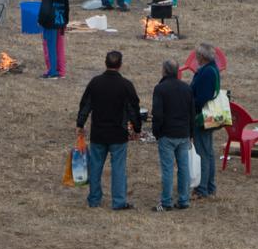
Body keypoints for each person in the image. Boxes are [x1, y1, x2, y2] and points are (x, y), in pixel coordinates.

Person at [76, 50, 141, 210]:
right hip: (118, 134)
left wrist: (80, 124)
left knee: (95, 166)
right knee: (118, 169)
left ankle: (94, 199)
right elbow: (134, 109)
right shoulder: (126, 85)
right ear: (120, 65)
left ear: (105, 63)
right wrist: (137, 128)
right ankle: (119, 202)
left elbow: (85, 105)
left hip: (98, 132)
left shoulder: (95, 82)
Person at [151, 59, 194, 212]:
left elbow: (157, 114)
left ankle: (166, 202)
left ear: (164, 71)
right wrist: (191, 133)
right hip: (183, 133)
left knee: (168, 169)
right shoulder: (186, 88)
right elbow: (192, 113)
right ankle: (184, 200)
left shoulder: (160, 89)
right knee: (184, 168)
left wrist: (156, 132)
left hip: (167, 134)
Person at [189, 43, 221, 201]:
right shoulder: (212, 69)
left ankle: (202, 188)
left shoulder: (207, 72)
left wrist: (191, 105)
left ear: (201, 57)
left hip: (202, 117)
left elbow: (202, 97)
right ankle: (210, 186)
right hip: (209, 116)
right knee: (208, 152)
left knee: (202, 153)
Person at [37, 0, 69, 79]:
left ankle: (52, 71)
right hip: (60, 23)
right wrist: (65, 22)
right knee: (59, 48)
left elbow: (44, 10)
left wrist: (40, 21)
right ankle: (61, 71)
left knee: (50, 48)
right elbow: (67, 9)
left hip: (50, 25)